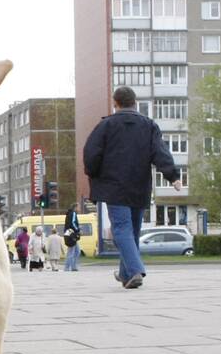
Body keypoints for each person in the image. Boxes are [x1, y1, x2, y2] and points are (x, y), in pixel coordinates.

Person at [84, 86, 181, 289]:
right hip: (139, 186)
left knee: (121, 230)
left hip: (114, 187)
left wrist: (93, 173)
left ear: (115, 103)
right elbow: (160, 152)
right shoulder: (148, 126)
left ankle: (136, 270)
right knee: (132, 232)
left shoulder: (106, 126)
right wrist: (172, 176)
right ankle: (126, 275)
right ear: (134, 102)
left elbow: (91, 154)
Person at [63, 203, 81, 272]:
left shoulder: (68, 214)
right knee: (71, 252)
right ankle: (67, 267)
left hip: (69, 234)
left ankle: (73, 266)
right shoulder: (73, 213)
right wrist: (78, 229)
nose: (79, 209)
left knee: (77, 251)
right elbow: (73, 223)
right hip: (72, 234)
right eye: (78, 207)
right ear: (75, 207)